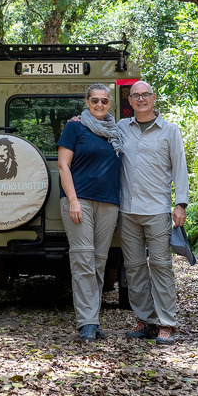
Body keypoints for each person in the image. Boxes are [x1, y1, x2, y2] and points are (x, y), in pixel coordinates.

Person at [118, 81, 188, 346]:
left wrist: (181, 203)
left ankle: (166, 323)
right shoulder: (122, 127)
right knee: (134, 269)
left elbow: (180, 167)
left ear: (154, 98)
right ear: (130, 101)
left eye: (145, 95)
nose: (141, 99)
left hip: (157, 210)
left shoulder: (170, 131)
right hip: (127, 210)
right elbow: (97, 127)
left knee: (161, 267)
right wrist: (79, 118)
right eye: (136, 96)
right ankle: (145, 321)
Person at [57, 83, 123, 342]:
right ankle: (86, 323)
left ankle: (93, 321)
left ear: (110, 104)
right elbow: (63, 166)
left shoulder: (116, 131)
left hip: (109, 203)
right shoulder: (74, 127)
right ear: (86, 102)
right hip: (79, 201)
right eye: (94, 100)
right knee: (83, 260)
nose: (99, 105)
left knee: (98, 262)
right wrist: (72, 200)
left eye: (104, 101)